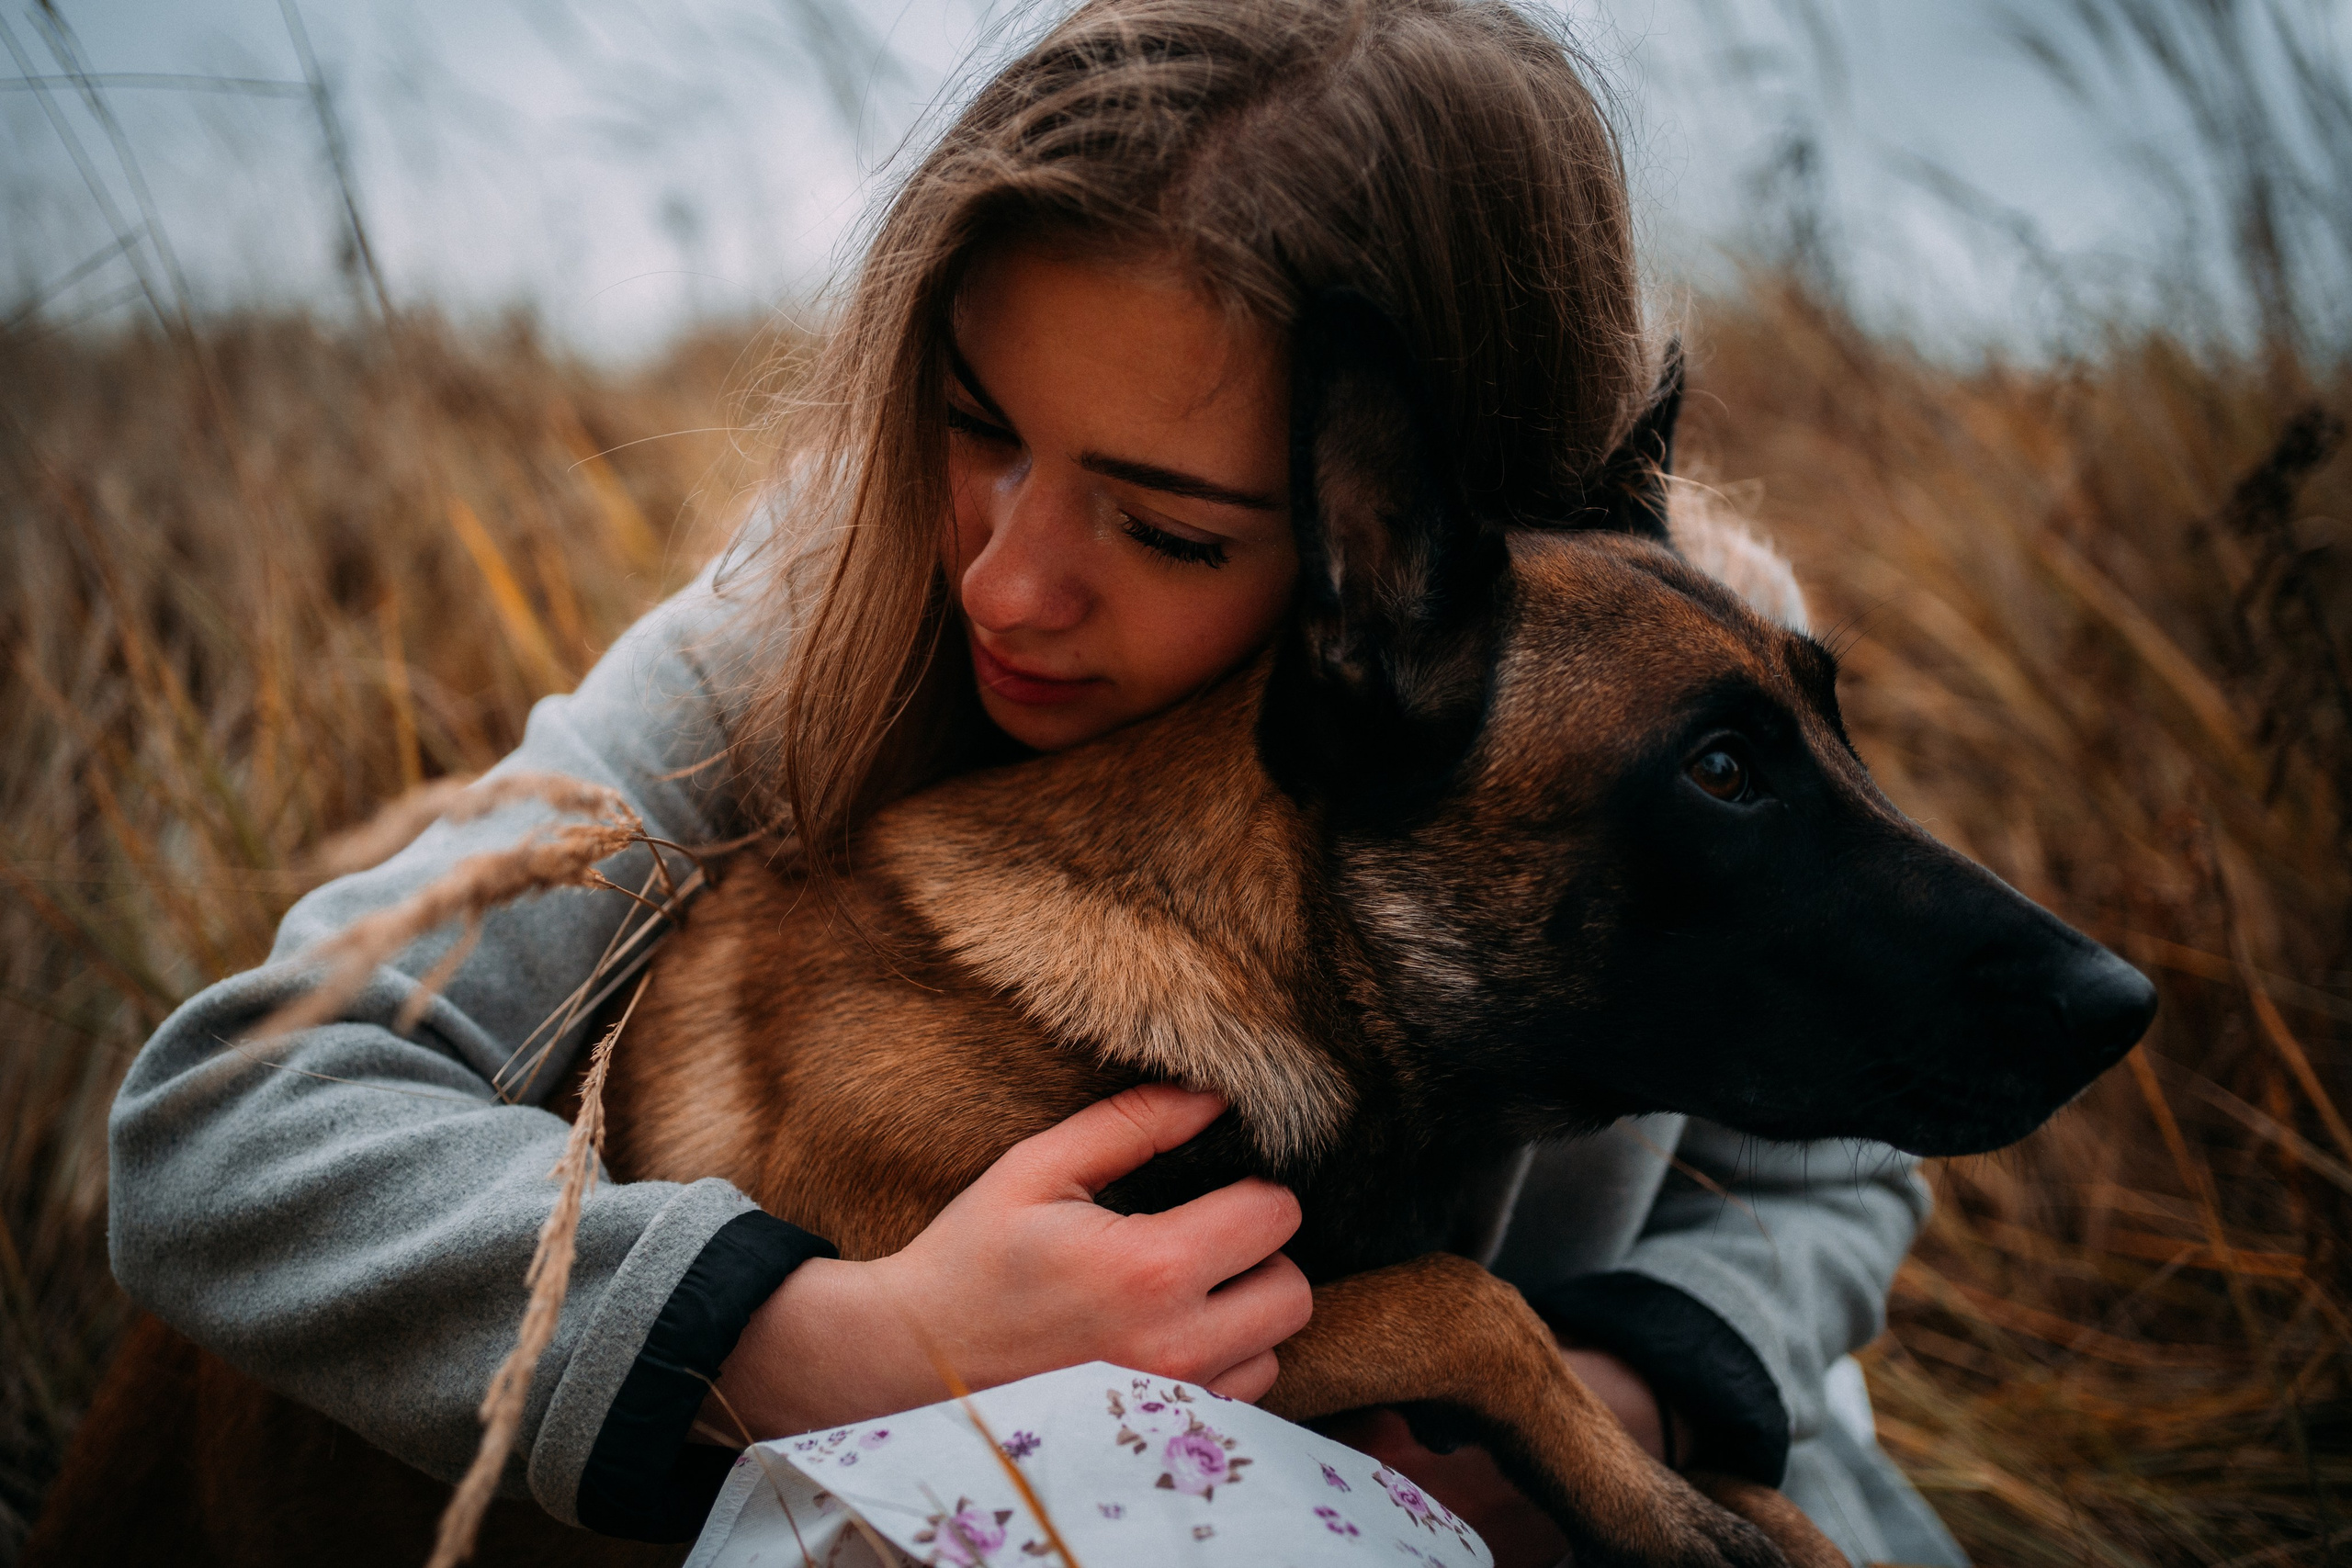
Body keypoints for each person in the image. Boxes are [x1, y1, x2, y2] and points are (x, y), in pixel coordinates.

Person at [107, 2, 1964, 1563]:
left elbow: (1836, 1169)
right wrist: (814, 1339)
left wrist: (1608, 1391)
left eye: (1168, 528)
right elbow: (217, 1122)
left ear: (1397, 516)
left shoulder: (1673, 684)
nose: (1004, 583)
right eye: (974, 426)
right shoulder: (813, 623)